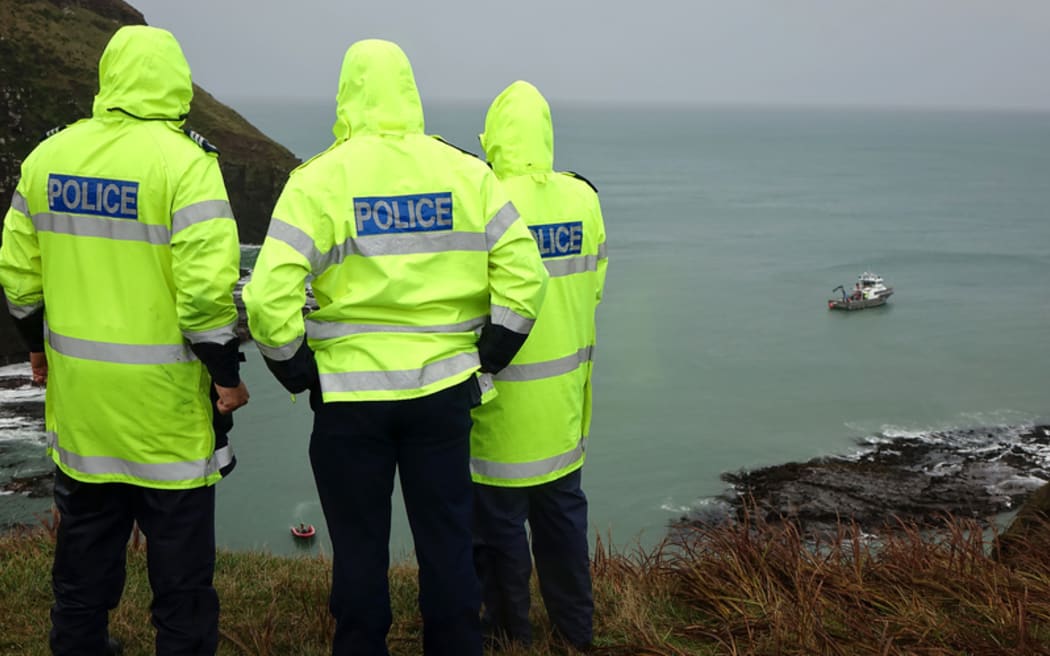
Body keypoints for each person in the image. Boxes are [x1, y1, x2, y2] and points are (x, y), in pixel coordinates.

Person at [242, 40, 548, 656]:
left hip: (350, 398)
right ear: (411, 91)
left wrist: (298, 371)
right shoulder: (465, 172)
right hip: (442, 392)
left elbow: (267, 296)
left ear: (346, 95)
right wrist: (488, 355)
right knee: (447, 541)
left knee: (358, 549)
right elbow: (526, 275)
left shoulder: (320, 179)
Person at [0, 26, 248, 655]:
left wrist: (35, 344)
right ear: (176, 81)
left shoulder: (47, 159)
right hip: (165, 415)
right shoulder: (187, 165)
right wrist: (225, 376)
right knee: (183, 584)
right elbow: (204, 299)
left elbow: (19, 279)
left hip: (83, 407)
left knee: (81, 565)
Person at [469, 80, 608, 651]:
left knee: (497, 539)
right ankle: (577, 634)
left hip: (500, 418)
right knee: (564, 533)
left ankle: (510, 637)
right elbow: (594, 287)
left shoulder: (484, 198)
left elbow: (468, 303)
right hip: (563, 412)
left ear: (494, 137)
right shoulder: (583, 199)